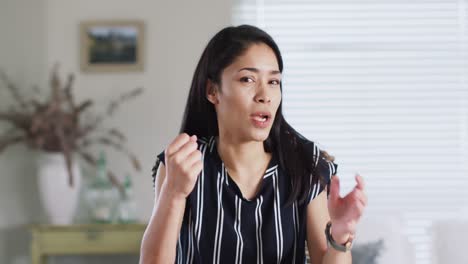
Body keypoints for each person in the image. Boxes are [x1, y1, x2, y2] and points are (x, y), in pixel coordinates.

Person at [140, 25, 367, 264]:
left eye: (273, 82)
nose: (265, 95)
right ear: (212, 91)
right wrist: (174, 193)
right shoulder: (182, 165)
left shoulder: (304, 164)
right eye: (247, 79)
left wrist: (339, 235)